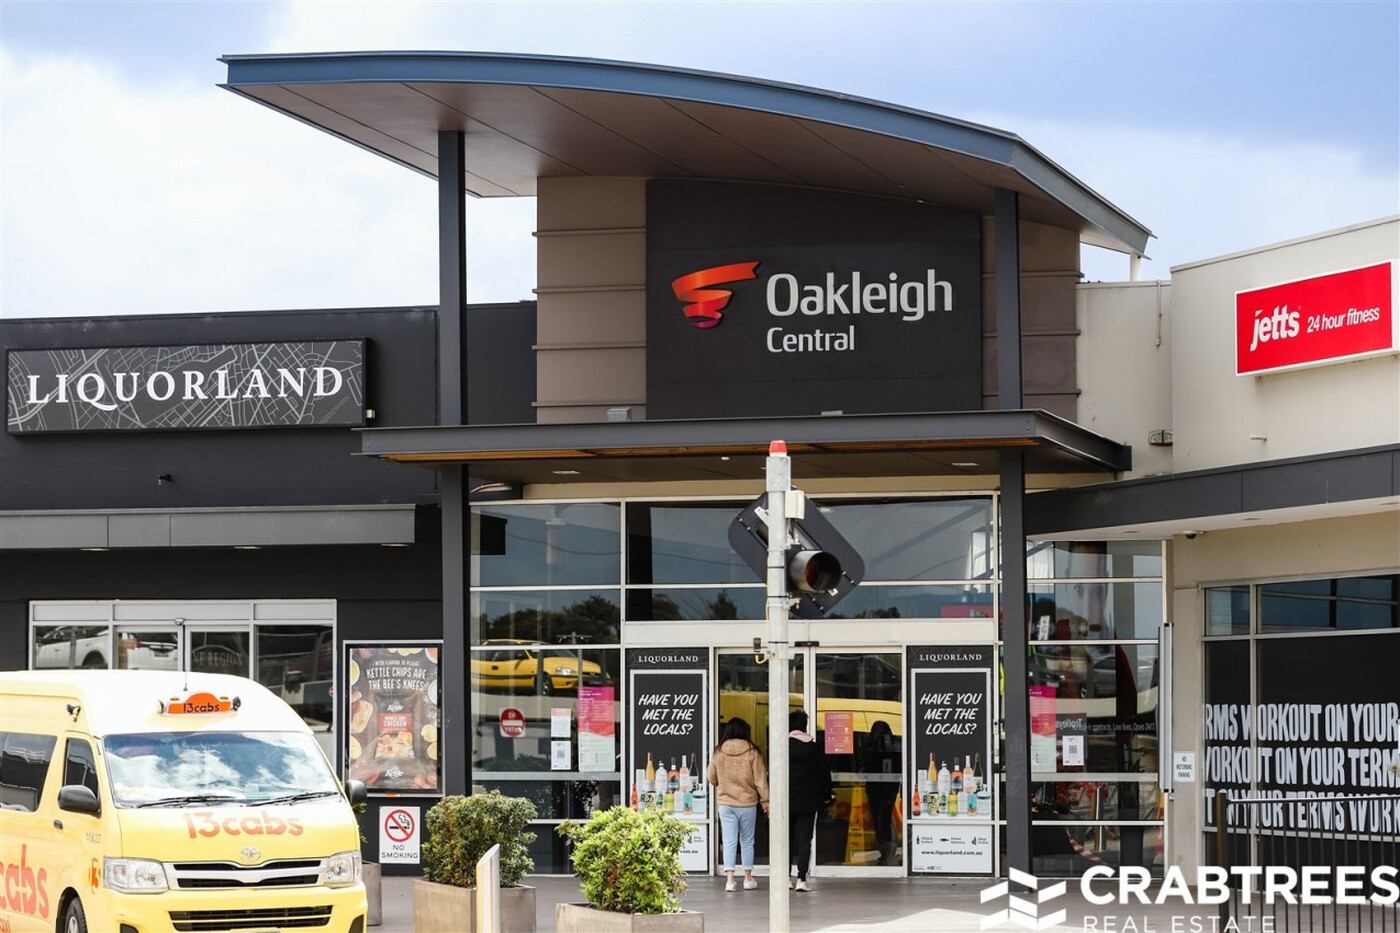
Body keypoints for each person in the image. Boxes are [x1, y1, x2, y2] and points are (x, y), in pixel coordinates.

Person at [707, 716, 769, 892]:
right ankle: (748, 879)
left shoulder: (719, 751)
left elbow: (711, 777)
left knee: (729, 841)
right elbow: (760, 781)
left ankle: (730, 881)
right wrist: (766, 802)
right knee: (747, 841)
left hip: (726, 803)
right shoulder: (752, 752)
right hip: (747, 803)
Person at [787, 710, 832, 892]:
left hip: (786, 802)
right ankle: (801, 879)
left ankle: (785, 878)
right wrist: (826, 795)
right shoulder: (814, 749)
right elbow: (824, 774)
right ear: (804, 726)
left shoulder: (782, 747)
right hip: (808, 802)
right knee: (804, 840)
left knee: (787, 840)